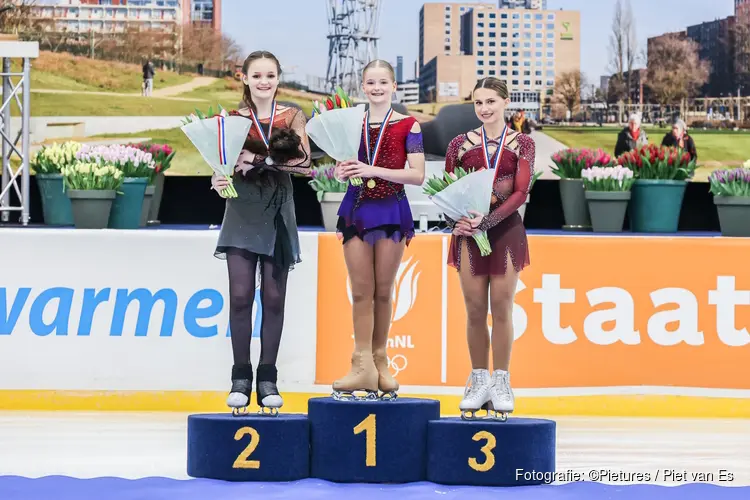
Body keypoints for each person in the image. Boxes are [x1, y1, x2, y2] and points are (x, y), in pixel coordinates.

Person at [211, 50, 312, 416]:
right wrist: (218, 178)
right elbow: (218, 167)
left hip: (277, 212)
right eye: (257, 75)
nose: (264, 81)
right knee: (239, 297)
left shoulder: (292, 116)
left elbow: (304, 164)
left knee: (273, 299)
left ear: (278, 78)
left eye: (270, 75)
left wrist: (260, 160)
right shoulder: (231, 119)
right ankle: (241, 377)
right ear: (245, 78)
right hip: (240, 208)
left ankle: (267, 378)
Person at [333, 59, 426, 401]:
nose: (376, 88)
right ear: (362, 85)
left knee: (384, 292)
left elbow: (417, 174)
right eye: (370, 82)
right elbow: (342, 164)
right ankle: (361, 366)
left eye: (382, 82)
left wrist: (372, 168)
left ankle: (380, 362)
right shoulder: (349, 123)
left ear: (394, 86)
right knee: (361, 291)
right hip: (356, 210)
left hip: (390, 210)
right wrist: (343, 171)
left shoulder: (408, 126)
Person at [443, 77, 535, 421]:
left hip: (506, 232)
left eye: (491, 102)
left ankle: (501, 380)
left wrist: (489, 220)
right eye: (478, 103)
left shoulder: (522, 142)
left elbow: (520, 193)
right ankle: (478, 378)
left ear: (505, 102)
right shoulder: (458, 144)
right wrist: (457, 220)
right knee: (474, 309)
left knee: (501, 307)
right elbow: (448, 190)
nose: (484, 109)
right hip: (468, 234)